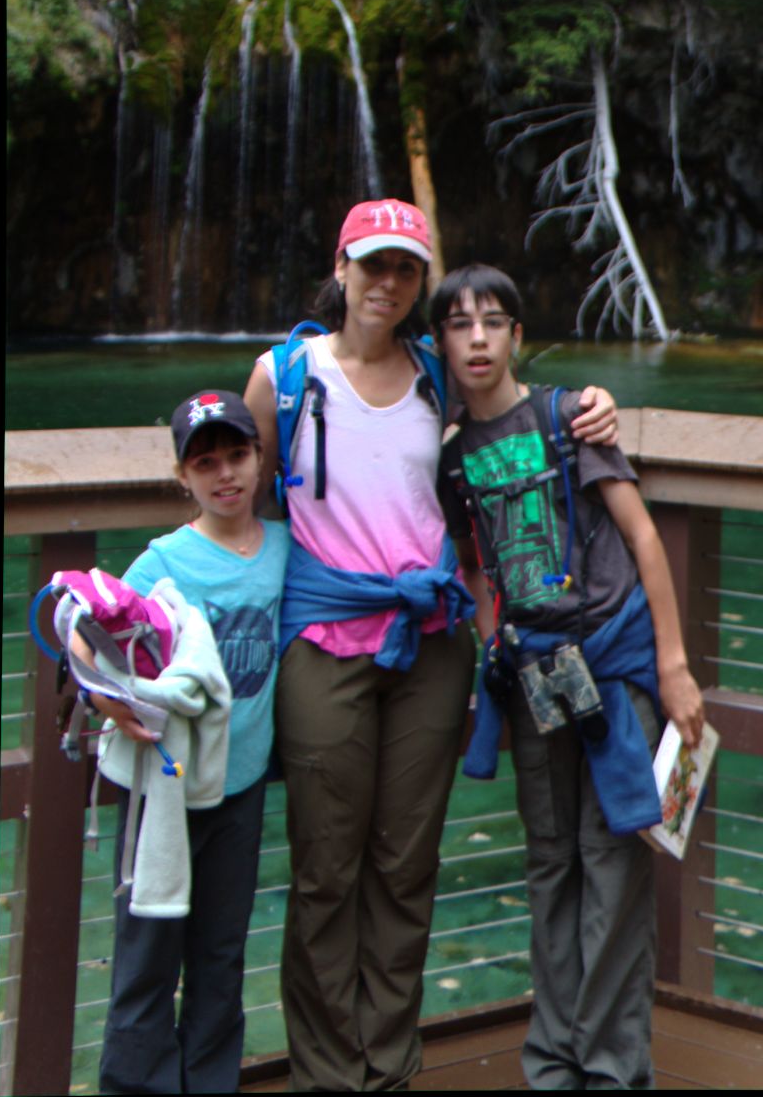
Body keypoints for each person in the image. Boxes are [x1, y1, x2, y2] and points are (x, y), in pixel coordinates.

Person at [242, 199, 620, 1094]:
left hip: (432, 638)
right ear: (341, 267)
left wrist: (592, 403)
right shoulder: (285, 372)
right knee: (326, 866)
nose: (387, 283)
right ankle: (330, 1073)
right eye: (372, 264)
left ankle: (391, 1066)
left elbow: (512, 407)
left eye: (404, 269)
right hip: (323, 636)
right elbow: (236, 496)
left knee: (406, 862)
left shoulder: (430, 374)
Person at [433, 263, 704, 1093]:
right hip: (530, 677)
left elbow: (643, 535)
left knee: (612, 862)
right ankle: (551, 1061)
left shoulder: (566, 418)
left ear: (517, 333)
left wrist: (674, 663)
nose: (476, 338)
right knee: (550, 860)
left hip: (612, 667)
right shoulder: (451, 459)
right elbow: (477, 565)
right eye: (458, 324)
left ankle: (610, 1067)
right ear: (440, 341)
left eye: (492, 321)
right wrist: (492, 645)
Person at [92, 389, 289, 1095]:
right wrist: (108, 703)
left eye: (236, 455)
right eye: (206, 463)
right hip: (164, 791)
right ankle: (134, 1084)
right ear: (183, 475)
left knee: (219, 952)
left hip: (239, 788)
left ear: (260, 457)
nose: (225, 474)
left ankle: (209, 1081)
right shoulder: (160, 562)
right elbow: (91, 644)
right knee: (147, 951)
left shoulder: (284, 550)